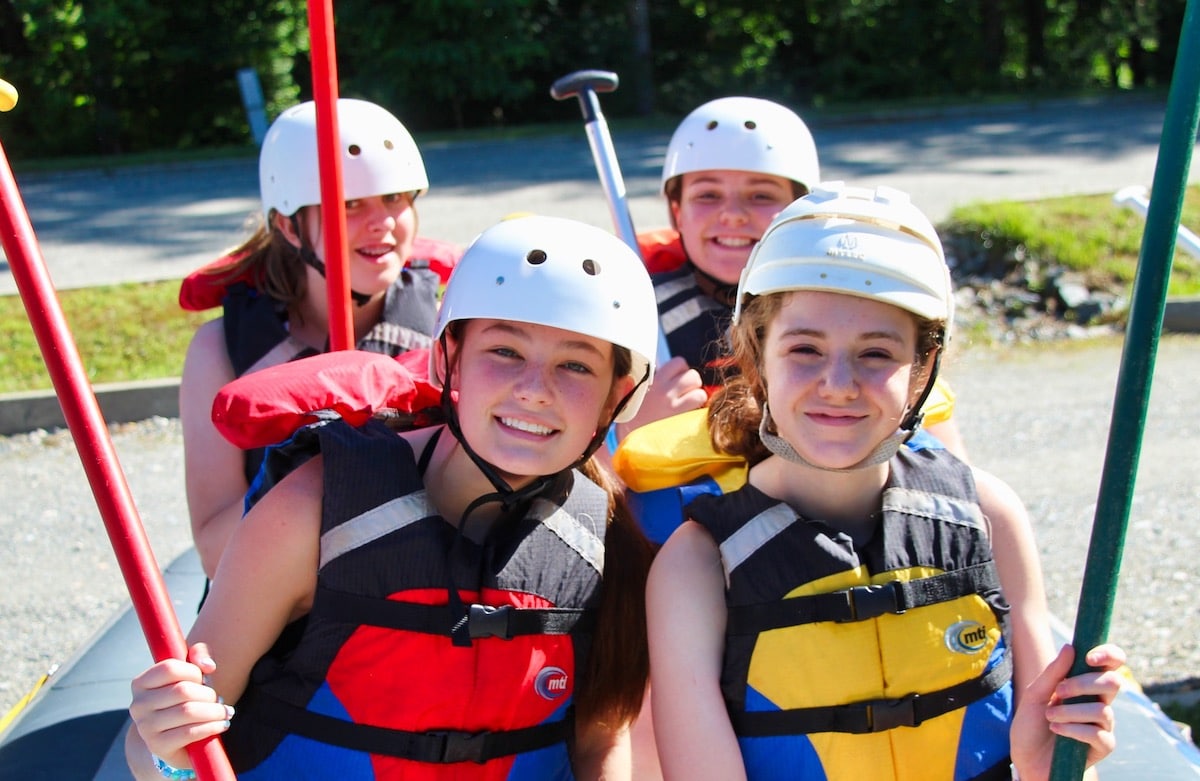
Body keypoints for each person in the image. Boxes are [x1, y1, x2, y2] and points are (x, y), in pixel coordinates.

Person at [125, 215, 659, 780]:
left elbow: (601, 743)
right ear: (446, 357)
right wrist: (164, 745)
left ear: (615, 399)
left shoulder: (604, 539)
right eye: (504, 351)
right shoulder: (310, 510)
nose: (534, 390)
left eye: (575, 365)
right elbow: (161, 758)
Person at [644, 183, 1124, 781]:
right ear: (754, 353)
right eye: (805, 349)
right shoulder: (695, 568)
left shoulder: (990, 516)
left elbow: (1061, 770)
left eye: (876, 353)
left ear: (923, 368)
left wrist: (1049, 768)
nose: (839, 383)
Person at [178, 98, 453, 580]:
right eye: (350, 204)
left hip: (413, 595)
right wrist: (309, 476)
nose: (382, 222)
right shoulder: (219, 349)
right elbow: (214, 551)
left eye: (395, 199)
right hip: (285, 601)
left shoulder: (447, 333)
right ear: (288, 225)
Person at [625, 97, 967, 458]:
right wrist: (631, 432)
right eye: (708, 195)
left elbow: (943, 452)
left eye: (761, 195)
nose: (734, 215)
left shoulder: (854, 296)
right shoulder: (638, 313)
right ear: (677, 211)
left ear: (799, 210)